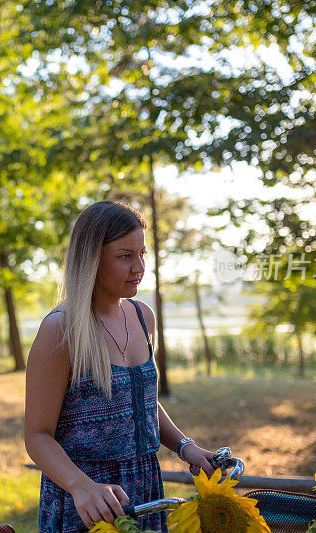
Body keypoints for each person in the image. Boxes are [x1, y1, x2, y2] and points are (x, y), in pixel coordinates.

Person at [24, 200, 216, 533]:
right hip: (88, 503)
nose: (139, 267)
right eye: (125, 256)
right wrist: (81, 485)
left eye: (142, 254)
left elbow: (139, 403)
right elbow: (37, 436)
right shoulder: (61, 329)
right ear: (92, 260)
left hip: (145, 489)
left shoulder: (143, 317)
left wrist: (186, 447)